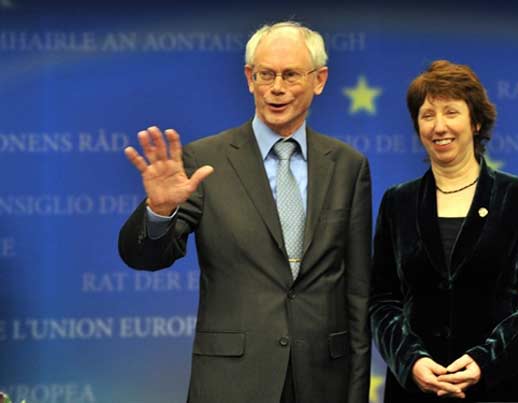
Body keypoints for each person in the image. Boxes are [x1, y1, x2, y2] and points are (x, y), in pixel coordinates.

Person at [118, 21, 372, 403]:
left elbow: (358, 293)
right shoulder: (205, 160)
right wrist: (160, 209)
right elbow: (145, 257)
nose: (276, 88)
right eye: (265, 74)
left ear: (319, 80)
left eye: (290, 75)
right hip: (232, 382)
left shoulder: (348, 166)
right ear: (249, 78)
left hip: (323, 381)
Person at [369, 60, 518, 402]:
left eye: (451, 112)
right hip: (415, 388)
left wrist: (486, 360)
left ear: (476, 122)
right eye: (427, 115)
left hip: (499, 387)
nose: (439, 126)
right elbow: (382, 302)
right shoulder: (397, 202)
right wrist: (411, 361)